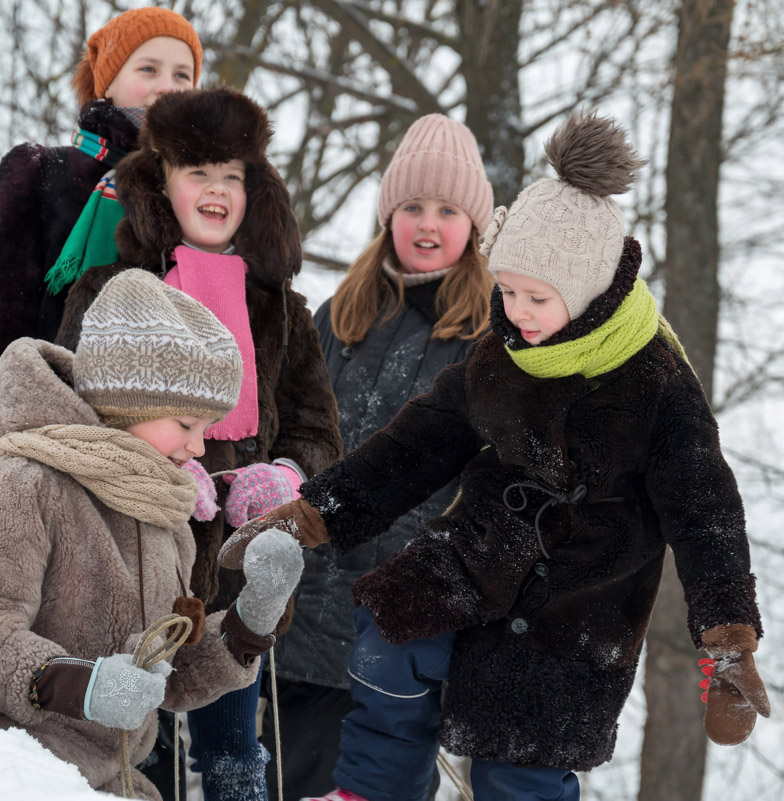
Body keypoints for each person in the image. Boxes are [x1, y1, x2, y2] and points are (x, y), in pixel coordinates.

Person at [223, 111, 772, 801]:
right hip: (476, 553)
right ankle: (373, 790)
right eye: (508, 292)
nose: (518, 311)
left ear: (590, 290)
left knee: (519, 759)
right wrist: (316, 511)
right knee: (392, 626)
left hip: (580, 605)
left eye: (537, 297)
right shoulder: (507, 347)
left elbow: (706, 512)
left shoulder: (656, 383)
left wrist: (727, 638)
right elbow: (422, 438)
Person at [55, 87, 342, 801]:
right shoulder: (109, 290)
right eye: (196, 172)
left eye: (232, 175)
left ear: (255, 191)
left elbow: (320, 430)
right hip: (131, 564)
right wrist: (149, 472)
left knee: (235, 757)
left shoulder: (285, 312)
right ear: (163, 185)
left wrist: (285, 475)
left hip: (238, 581)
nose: (215, 189)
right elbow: (69, 419)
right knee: (135, 755)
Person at [0, 269, 305, 800]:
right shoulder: (24, 482)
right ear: (130, 404)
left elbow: (165, 676)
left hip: (105, 779)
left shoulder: (162, 515)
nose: (198, 449)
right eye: (187, 424)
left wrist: (247, 624)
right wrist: (83, 685)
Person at [263, 114, 494, 800]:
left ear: (474, 224)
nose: (428, 223)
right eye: (412, 206)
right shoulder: (340, 314)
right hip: (292, 618)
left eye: (448, 209)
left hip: (396, 632)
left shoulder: (489, 337)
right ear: (388, 215)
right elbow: (289, 428)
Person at [0, 6, 204, 521]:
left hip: (156, 471)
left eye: (182, 74)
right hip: (44, 440)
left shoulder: (203, 197)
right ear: (108, 81)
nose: (167, 85)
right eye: (148, 69)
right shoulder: (42, 172)